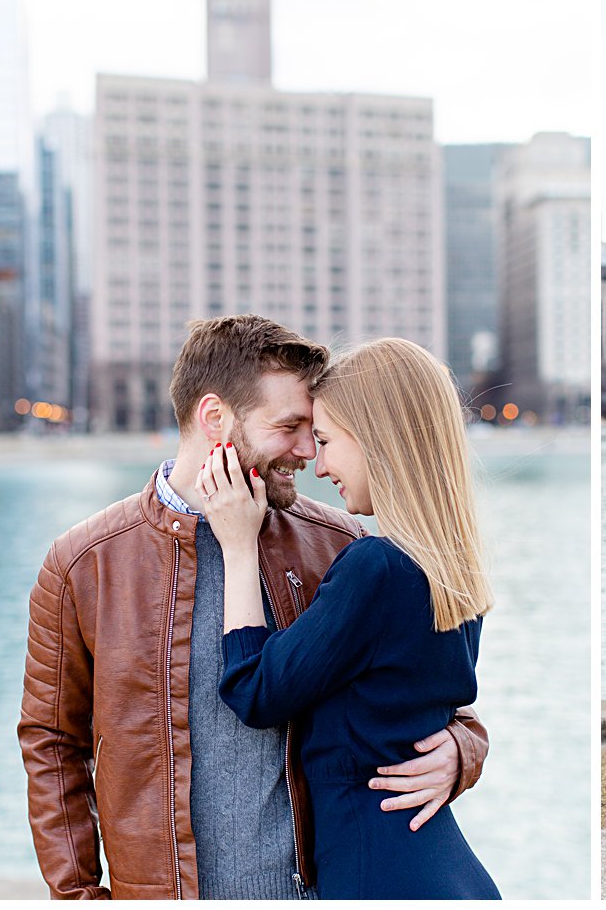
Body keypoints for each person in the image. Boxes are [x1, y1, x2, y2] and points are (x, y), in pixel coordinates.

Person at [18, 315, 489, 899]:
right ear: (215, 419)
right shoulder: (83, 563)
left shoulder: (342, 546)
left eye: (315, 432)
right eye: (290, 427)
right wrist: (79, 896)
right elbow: (51, 743)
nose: (306, 455)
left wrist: (462, 751)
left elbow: (429, 694)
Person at [202, 337, 500, 899]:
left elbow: (255, 692)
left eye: (325, 440)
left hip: (381, 877)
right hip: (439, 869)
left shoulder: (377, 566)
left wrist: (239, 547)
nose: (318, 463)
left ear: (377, 439)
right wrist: (465, 744)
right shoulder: (452, 571)